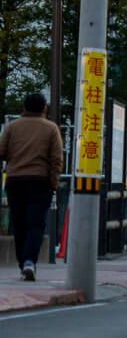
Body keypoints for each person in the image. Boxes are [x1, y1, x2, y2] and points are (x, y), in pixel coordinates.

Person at [0, 91, 64, 281]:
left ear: (24, 107)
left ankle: (23, 264)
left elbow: (1, 151)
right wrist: (54, 183)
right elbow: (57, 159)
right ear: (44, 108)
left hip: (15, 181)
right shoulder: (51, 128)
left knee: (19, 225)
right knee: (35, 225)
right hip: (40, 182)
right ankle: (30, 262)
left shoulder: (12, 127)